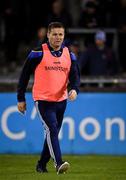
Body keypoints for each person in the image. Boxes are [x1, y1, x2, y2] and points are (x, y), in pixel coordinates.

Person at [17, 22, 80, 174]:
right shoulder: (37, 53)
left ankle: (41, 165)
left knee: (52, 134)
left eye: (60, 34)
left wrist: (74, 90)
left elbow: (75, 76)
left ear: (64, 36)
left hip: (61, 101)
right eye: (55, 34)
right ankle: (58, 164)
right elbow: (24, 76)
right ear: (48, 35)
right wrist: (21, 98)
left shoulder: (69, 54)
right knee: (52, 128)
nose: (58, 37)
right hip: (43, 100)